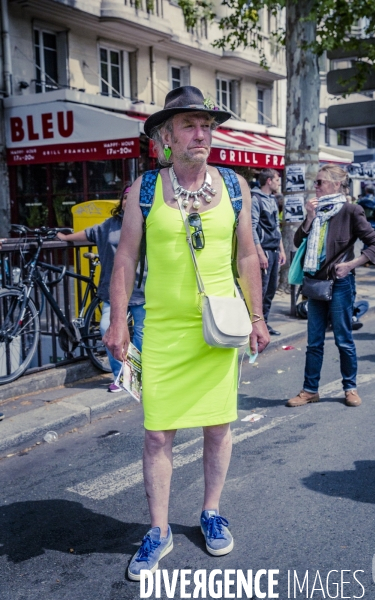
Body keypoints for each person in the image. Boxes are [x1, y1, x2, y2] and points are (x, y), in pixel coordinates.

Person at [103, 86, 269, 578]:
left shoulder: (235, 186)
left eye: (207, 125)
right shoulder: (145, 189)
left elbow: (246, 257)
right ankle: (158, 531)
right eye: (190, 126)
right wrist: (117, 321)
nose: (202, 134)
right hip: (163, 331)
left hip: (219, 329)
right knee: (158, 435)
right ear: (166, 136)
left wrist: (257, 317)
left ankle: (211, 513)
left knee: (218, 427)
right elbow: (127, 258)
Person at [287, 164, 375, 409]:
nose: (315, 187)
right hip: (316, 283)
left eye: (320, 182)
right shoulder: (316, 211)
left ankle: (350, 387)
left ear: (336, 184)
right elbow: (299, 241)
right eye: (315, 182)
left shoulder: (351, 210)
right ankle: (310, 390)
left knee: (343, 339)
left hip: (340, 283)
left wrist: (352, 264)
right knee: (314, 341)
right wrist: (308, 218)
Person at [57, 185, 146, 392]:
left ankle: (134, 377)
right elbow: (89, 233)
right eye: (125, 198)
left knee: (142, 335)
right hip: (113, 291)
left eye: (132, 198)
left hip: (143, 289)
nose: (128, 202)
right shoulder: (109, 225)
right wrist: (65, 238)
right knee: (107, 328)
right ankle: (119, 376)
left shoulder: (148, 224)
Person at [251, 168, 286, 336]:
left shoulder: (272, 199)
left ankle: (264, 323)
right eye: (277, 180)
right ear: (269, 181)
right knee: (262, 289)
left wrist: (282, 250)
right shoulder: (255, 199)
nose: (279, 184)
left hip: (273, 250)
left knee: (271, 289)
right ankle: (255, 325)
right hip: (264, 250)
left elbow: (275, 227)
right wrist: (260, 253)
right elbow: (252, 228)